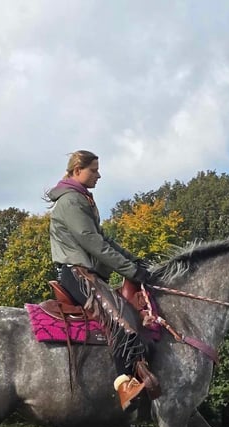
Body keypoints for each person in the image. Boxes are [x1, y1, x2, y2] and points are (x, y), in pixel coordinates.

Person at [45, 150, 158, 410]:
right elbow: (93, 243)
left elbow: (104, 239)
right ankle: (124, 386)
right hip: (77, 274)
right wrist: (131, 272)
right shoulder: (72, 201)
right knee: (123, 321)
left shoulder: (82, 199)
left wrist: (135, 261)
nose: (99, 174)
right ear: (76, 171)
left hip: (87, 273)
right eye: (93, 170)